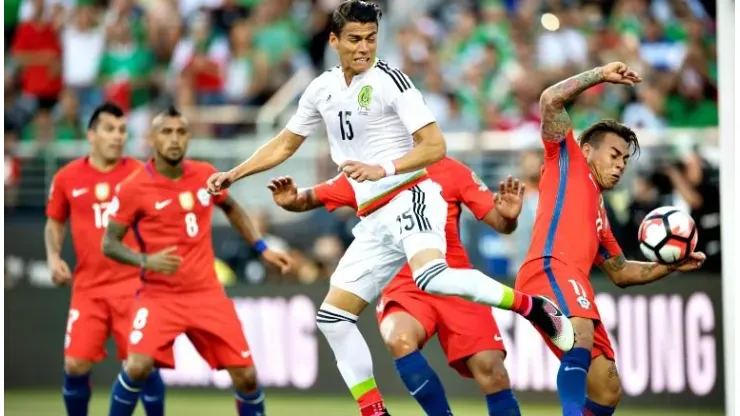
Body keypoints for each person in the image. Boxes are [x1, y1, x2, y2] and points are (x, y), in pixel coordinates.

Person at [207, 3, 574, 414]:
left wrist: (382, 168)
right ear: (334, 41)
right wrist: (235, 173)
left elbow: (436, 145)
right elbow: (285, 143)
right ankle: (374, 411)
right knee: (332, 318)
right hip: (375, 219)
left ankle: (531, 307)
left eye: (371, 38)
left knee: (432, 276)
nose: (364, 48)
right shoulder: (321, 89)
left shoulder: (390, 80)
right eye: (354, 39)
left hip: (410, 195)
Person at [516, 62, 707, 416]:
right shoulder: (567, 161)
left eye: (625, 161)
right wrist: (601, 75)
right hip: (548, 269)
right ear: (588, 150)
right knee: (581, 334)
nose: (620, 165)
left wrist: (672, 265)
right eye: (614, 155)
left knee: (607, 389)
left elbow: (621, 272)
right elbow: (550, 100)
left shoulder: (600, 216)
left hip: (573, 283)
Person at [267, 156, 527, 416]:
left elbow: (500, 222)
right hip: (404, 285)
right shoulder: (364, 171)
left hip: (454, 279)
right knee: (400, 339)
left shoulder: (449, 168)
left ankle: (531, 310)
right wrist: (290, 200)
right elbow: (308, 198)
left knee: (493, 371)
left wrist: (508, 218)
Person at [102, 107, 292, 416]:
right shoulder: (133, 188)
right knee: (137, 367)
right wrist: (145, 260)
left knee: (247, 377)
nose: (174, 139)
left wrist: (262, 247)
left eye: (181, 132)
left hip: (206, 294)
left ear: (189, 137)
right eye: (166, 132)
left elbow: (231, 207)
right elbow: (109, 243)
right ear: (152, 138)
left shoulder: (205, 174)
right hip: (159, 296)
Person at [45, 102, 166, 416]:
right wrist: (53, 257)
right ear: (91, 134)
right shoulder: (67, 178)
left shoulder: (141, 174)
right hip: (88, 289)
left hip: (135, 287)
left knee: (143, 365)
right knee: (75, 364)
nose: (117, 136)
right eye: (109, 129)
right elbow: (55, 222)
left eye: (122, 130)